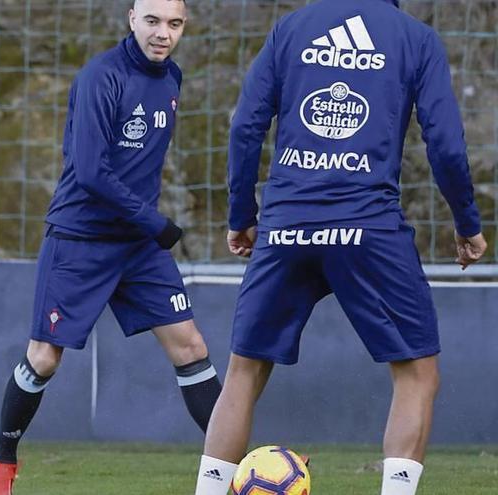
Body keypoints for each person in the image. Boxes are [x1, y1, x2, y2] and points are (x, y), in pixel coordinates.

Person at [195, 1, 488, 494]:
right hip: (367, 226)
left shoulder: (290, 28)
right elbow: (446, 144)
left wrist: (243, 216)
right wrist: (467, 223)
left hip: (287, 222)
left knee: (244, 369)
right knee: (417, 373)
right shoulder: (414, 37)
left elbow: (245, 124)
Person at [0, 1, 222, 493]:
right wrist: (155, 221)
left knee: (192, 347)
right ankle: (1, 467)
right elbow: (91, 173)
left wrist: (147, 227)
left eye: (174, 24)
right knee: (44, 357)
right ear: (132, 18)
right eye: (153, 21)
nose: (163, 34)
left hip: (138, 247)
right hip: (81, 240)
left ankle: (232, 470)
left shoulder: (171, 78)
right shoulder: (101, 77)